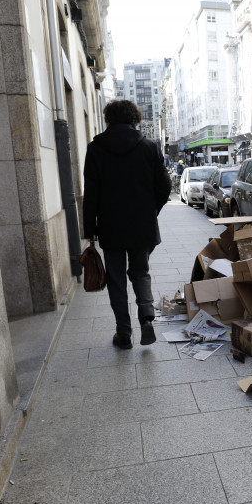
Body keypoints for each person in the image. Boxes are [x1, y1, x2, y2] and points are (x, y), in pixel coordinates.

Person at [83, 100, 171, 349]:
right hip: (142, 225)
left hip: (110, 226)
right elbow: (164, 186)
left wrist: (90, 230)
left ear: (109, 119)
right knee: (141, 272)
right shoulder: (149, 147)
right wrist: (152, 210)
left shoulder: (95, 148)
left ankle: (123, 333)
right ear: (135, 119)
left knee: (116, 279)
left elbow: (91, 193)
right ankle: (146, 319)